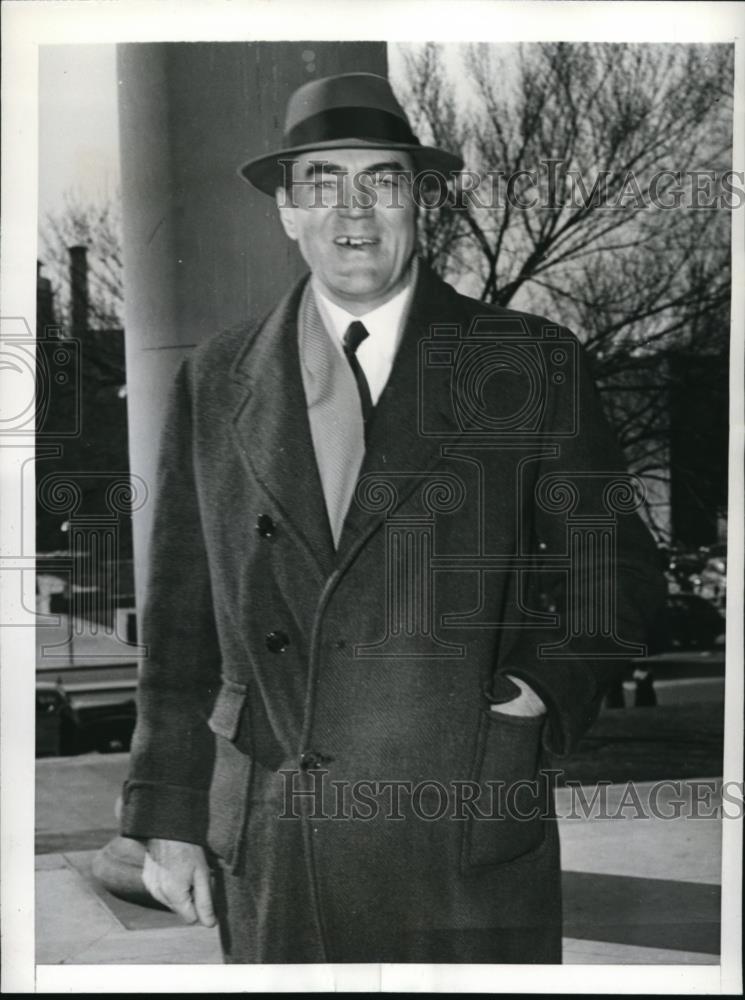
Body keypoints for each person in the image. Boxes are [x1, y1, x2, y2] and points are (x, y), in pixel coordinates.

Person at [120, 72, 665, 964]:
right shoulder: (215, 378)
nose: (353, 212)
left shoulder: (526, 361)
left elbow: (617, 576)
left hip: (458, 824)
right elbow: (182, 623)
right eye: (322, 183)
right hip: (274, 832)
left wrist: (532, 696)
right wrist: (171, 820)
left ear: (422, 199)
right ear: (286, 211)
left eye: (382, 180)